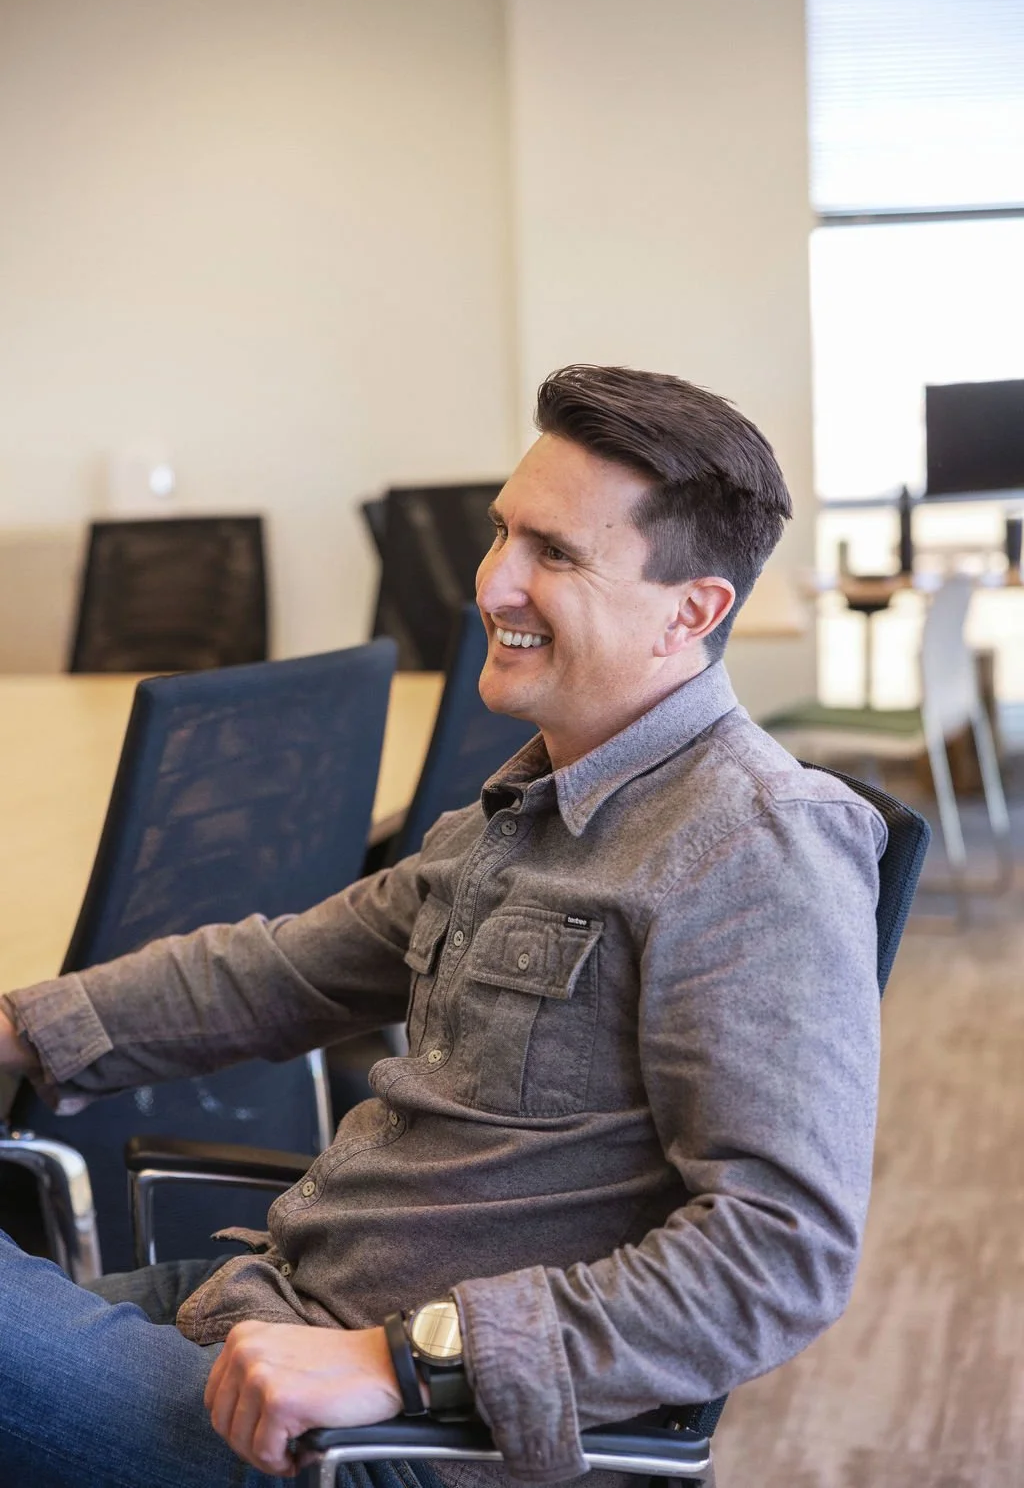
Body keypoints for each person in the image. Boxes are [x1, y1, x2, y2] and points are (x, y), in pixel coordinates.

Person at [0, 365, 885, 1488]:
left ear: (691, 610)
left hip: (397, 1432)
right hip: (273, 1312)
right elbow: (280, 971)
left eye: (555, 553)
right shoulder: (531, 804)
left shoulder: (753, 843)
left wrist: (406, 1363)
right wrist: (20, 1027)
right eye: (502, 533)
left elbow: (779, 1255)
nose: (493, 583)